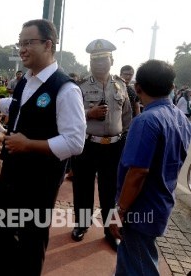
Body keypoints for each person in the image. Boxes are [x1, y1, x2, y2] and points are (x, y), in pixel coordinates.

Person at [0, 19, 86, 275]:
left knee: (31, 241)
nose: (22, 48)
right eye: (20, 42)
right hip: (11, 176)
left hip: (39, 183)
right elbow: (16, 106)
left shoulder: (65, 89)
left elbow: (75, 141)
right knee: (5, 236)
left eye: (28, 42)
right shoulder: (26, 81)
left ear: (48, 45)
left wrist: (30, 144)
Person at [110, 60, 191, 275]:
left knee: (139, 264)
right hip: (161, 202)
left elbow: (138, 172)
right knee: (132, 259)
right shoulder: (182, 119)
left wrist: (120, 212)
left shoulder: (146, 121)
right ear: (172, 87)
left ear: (137, 89)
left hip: (140, 208)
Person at [71, 38, 132, 251]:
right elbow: (72, 116)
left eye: (103, 59)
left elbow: (127, 117)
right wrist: (90, 113)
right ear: (90, 62)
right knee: (83, 186)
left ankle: (109, 230)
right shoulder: (79, 87)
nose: (98, 63)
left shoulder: (121, 86)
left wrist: (125, 141)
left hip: (113, 147)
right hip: (88, 145)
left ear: (112, 60)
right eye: (94, 59)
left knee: (110, 190)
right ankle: (82, 224)